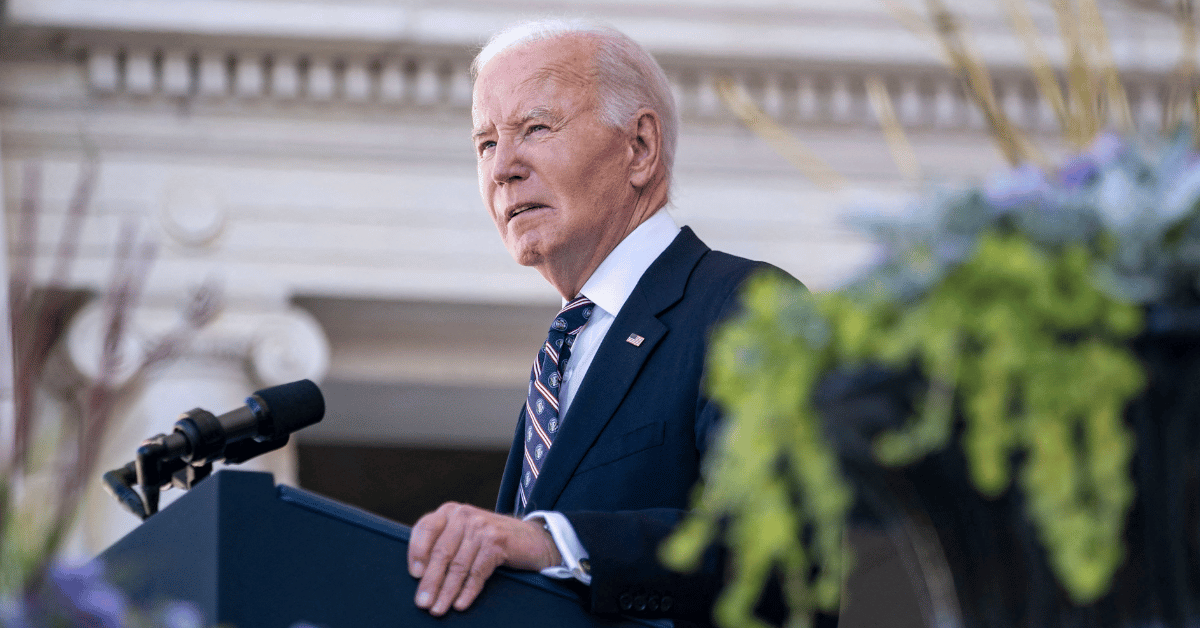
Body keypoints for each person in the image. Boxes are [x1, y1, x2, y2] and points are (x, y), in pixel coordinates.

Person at [406, 19, 806, 626]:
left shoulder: (747, 305)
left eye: (535, 128)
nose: (503, 167)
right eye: (485, 143)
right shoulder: (566, 352)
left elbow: (779, 549)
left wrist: (554, 543)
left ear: (639, 148)